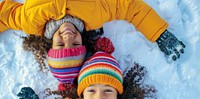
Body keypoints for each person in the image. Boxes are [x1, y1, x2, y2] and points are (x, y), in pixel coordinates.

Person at [1, 0, 185, 64]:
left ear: (50, 45)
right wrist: (159, 33)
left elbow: (3, 14)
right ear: (82, 40)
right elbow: (130, 7)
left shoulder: (29, 21)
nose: (68, 37)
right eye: (75, 43)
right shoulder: (97, 14)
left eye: (60, 43)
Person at [17, 48, 158, 99]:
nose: (99, 98)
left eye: (108, 90)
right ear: (82, 95)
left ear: (118, 95)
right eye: (91, 90)